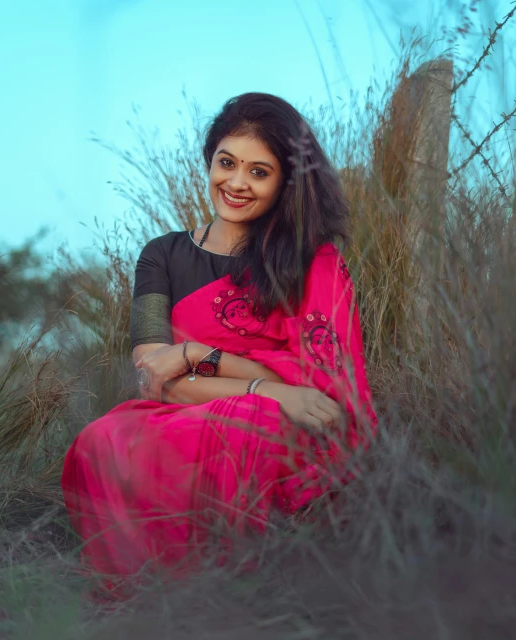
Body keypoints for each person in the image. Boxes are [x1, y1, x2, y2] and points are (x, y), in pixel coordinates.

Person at [61, 92, 377, 586]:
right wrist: (263, 383)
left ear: (284, 182)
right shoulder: (160, 256)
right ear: (210, 159)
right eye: (227, 163)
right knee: (100, 438)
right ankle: (150, 590)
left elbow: (319, 388)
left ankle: (236, 584)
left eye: (259, 171)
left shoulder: (310, 263)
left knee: (252, 420)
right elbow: (153, 373)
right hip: (181, 413)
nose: (236, 183)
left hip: (275, 423)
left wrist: (196, 362)